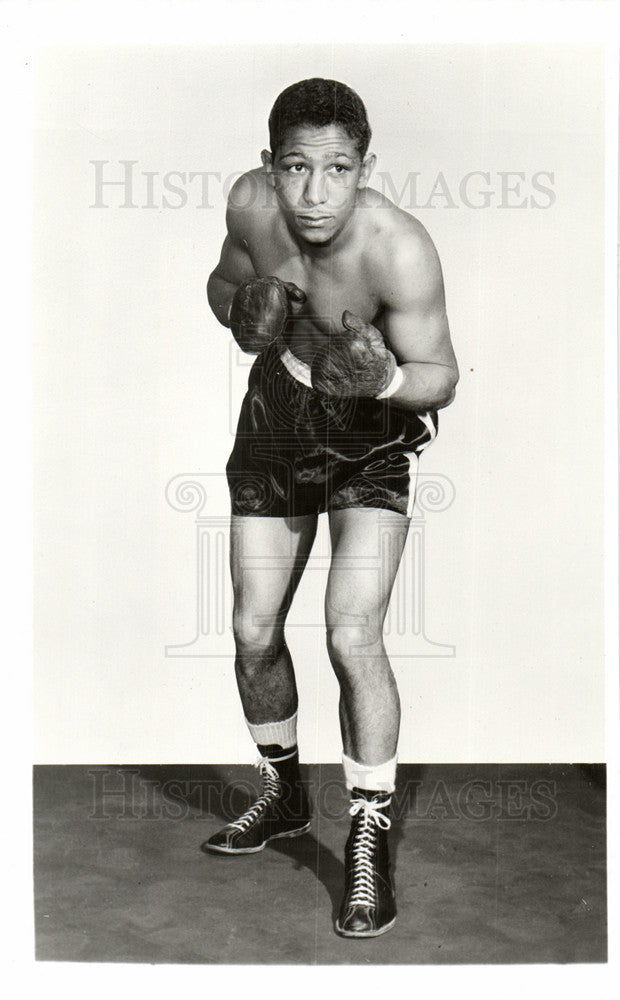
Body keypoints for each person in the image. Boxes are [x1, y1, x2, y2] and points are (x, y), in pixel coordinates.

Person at [204, 78, 458, 938]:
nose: (316, 192)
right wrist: (246, 312)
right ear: (268, 168)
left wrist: (386, 379)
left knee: (352, 631)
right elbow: (220, 284)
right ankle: (282, 798)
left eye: (339, 168)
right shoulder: (251, 208)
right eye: (297, 167)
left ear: (366, 167)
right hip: (279, 415)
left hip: (372, 435)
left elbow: (442, 376)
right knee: (250, 629)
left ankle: (368, 833)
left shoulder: (401, 249)